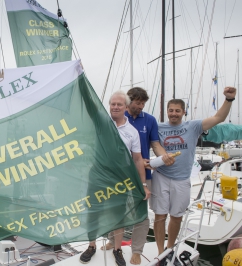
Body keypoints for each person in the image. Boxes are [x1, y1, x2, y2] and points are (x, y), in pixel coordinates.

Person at [152, 86, 237, 265]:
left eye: (177, 111)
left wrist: (229, 100)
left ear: (183, 112)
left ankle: (169, 249)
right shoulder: (157, 126)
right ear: (167, 111)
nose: (173, 114)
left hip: (182, 179)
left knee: (176, 216)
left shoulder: (193, 126)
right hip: (161, 176)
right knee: (160, 216)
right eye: (170, 110)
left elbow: (219, 117)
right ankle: (160, 253)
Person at [100, 87, 175, 265]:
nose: (141, 106)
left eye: (143, 103)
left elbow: (155, 144)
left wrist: (162, 157)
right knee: (115, 209)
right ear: (129, 102)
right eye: (138, 102)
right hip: (116, 176)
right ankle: (113, 240)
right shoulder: (111, 120)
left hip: (142, 172)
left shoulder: (149, 120)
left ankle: (137, 250)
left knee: (140, 213)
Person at [80, 91, 150, 266]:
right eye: (113, 104)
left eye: (119, 104)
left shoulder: (132, 132)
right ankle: (91, 245)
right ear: (109, 106)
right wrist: (81, 81)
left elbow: (137, 159)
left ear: (126, 108)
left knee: (118, 215)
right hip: (98, 174)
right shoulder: (102, 122)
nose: (116, 107)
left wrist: (143, 185)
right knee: (94, 210)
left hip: (119, 179)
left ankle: (117, 249)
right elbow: (90, 106)